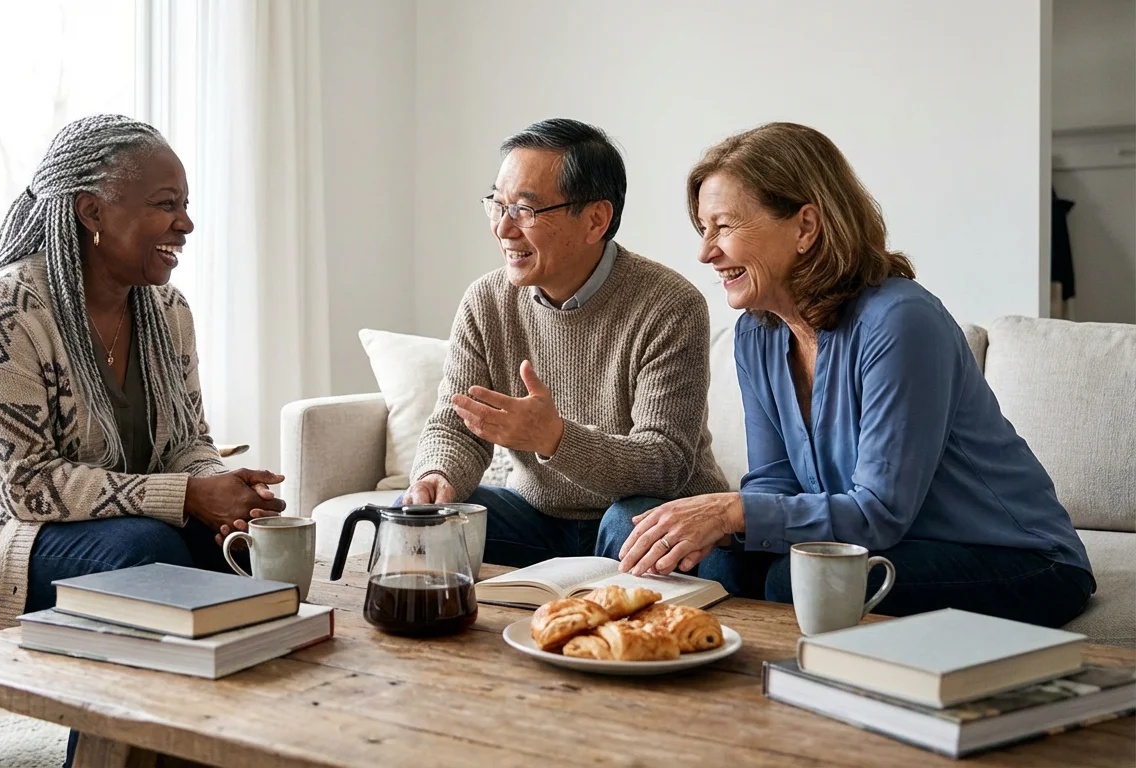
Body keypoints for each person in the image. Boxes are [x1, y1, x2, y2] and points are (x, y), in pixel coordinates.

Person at [0, 115, 285, 761]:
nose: (186, 224)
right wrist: (186, 497)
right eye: (166, 206)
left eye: (186, 207)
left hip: (97, 517)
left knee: (247, 558)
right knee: (145, 559)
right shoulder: (5, 309)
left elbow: (188, 440)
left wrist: (222, 491)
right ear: (92, 210)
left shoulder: (167, 311)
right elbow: (24, 487)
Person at [607, 122, 1094, 628]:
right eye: (702, 230)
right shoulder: (758, 333)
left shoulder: (902, 321)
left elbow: (877, 513)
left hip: (1016, 559)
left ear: (805, 227)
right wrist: (707, 526)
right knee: (636, 524)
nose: (706, 252)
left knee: (793, 581)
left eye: (723, 227)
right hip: (873, 544)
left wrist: (731, 514)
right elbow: (776, 480)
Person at [403, 118, 728, 568]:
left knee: (625, 522)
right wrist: (434, 478)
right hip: (537, 517)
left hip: (646, 514)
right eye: (498, 205)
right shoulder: (486, 301)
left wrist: (553, 437)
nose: (503, 229)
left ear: (596, 219)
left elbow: (664, 463)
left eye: (526, 211)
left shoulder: (669, 304)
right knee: (435, 519)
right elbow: (457, 424)